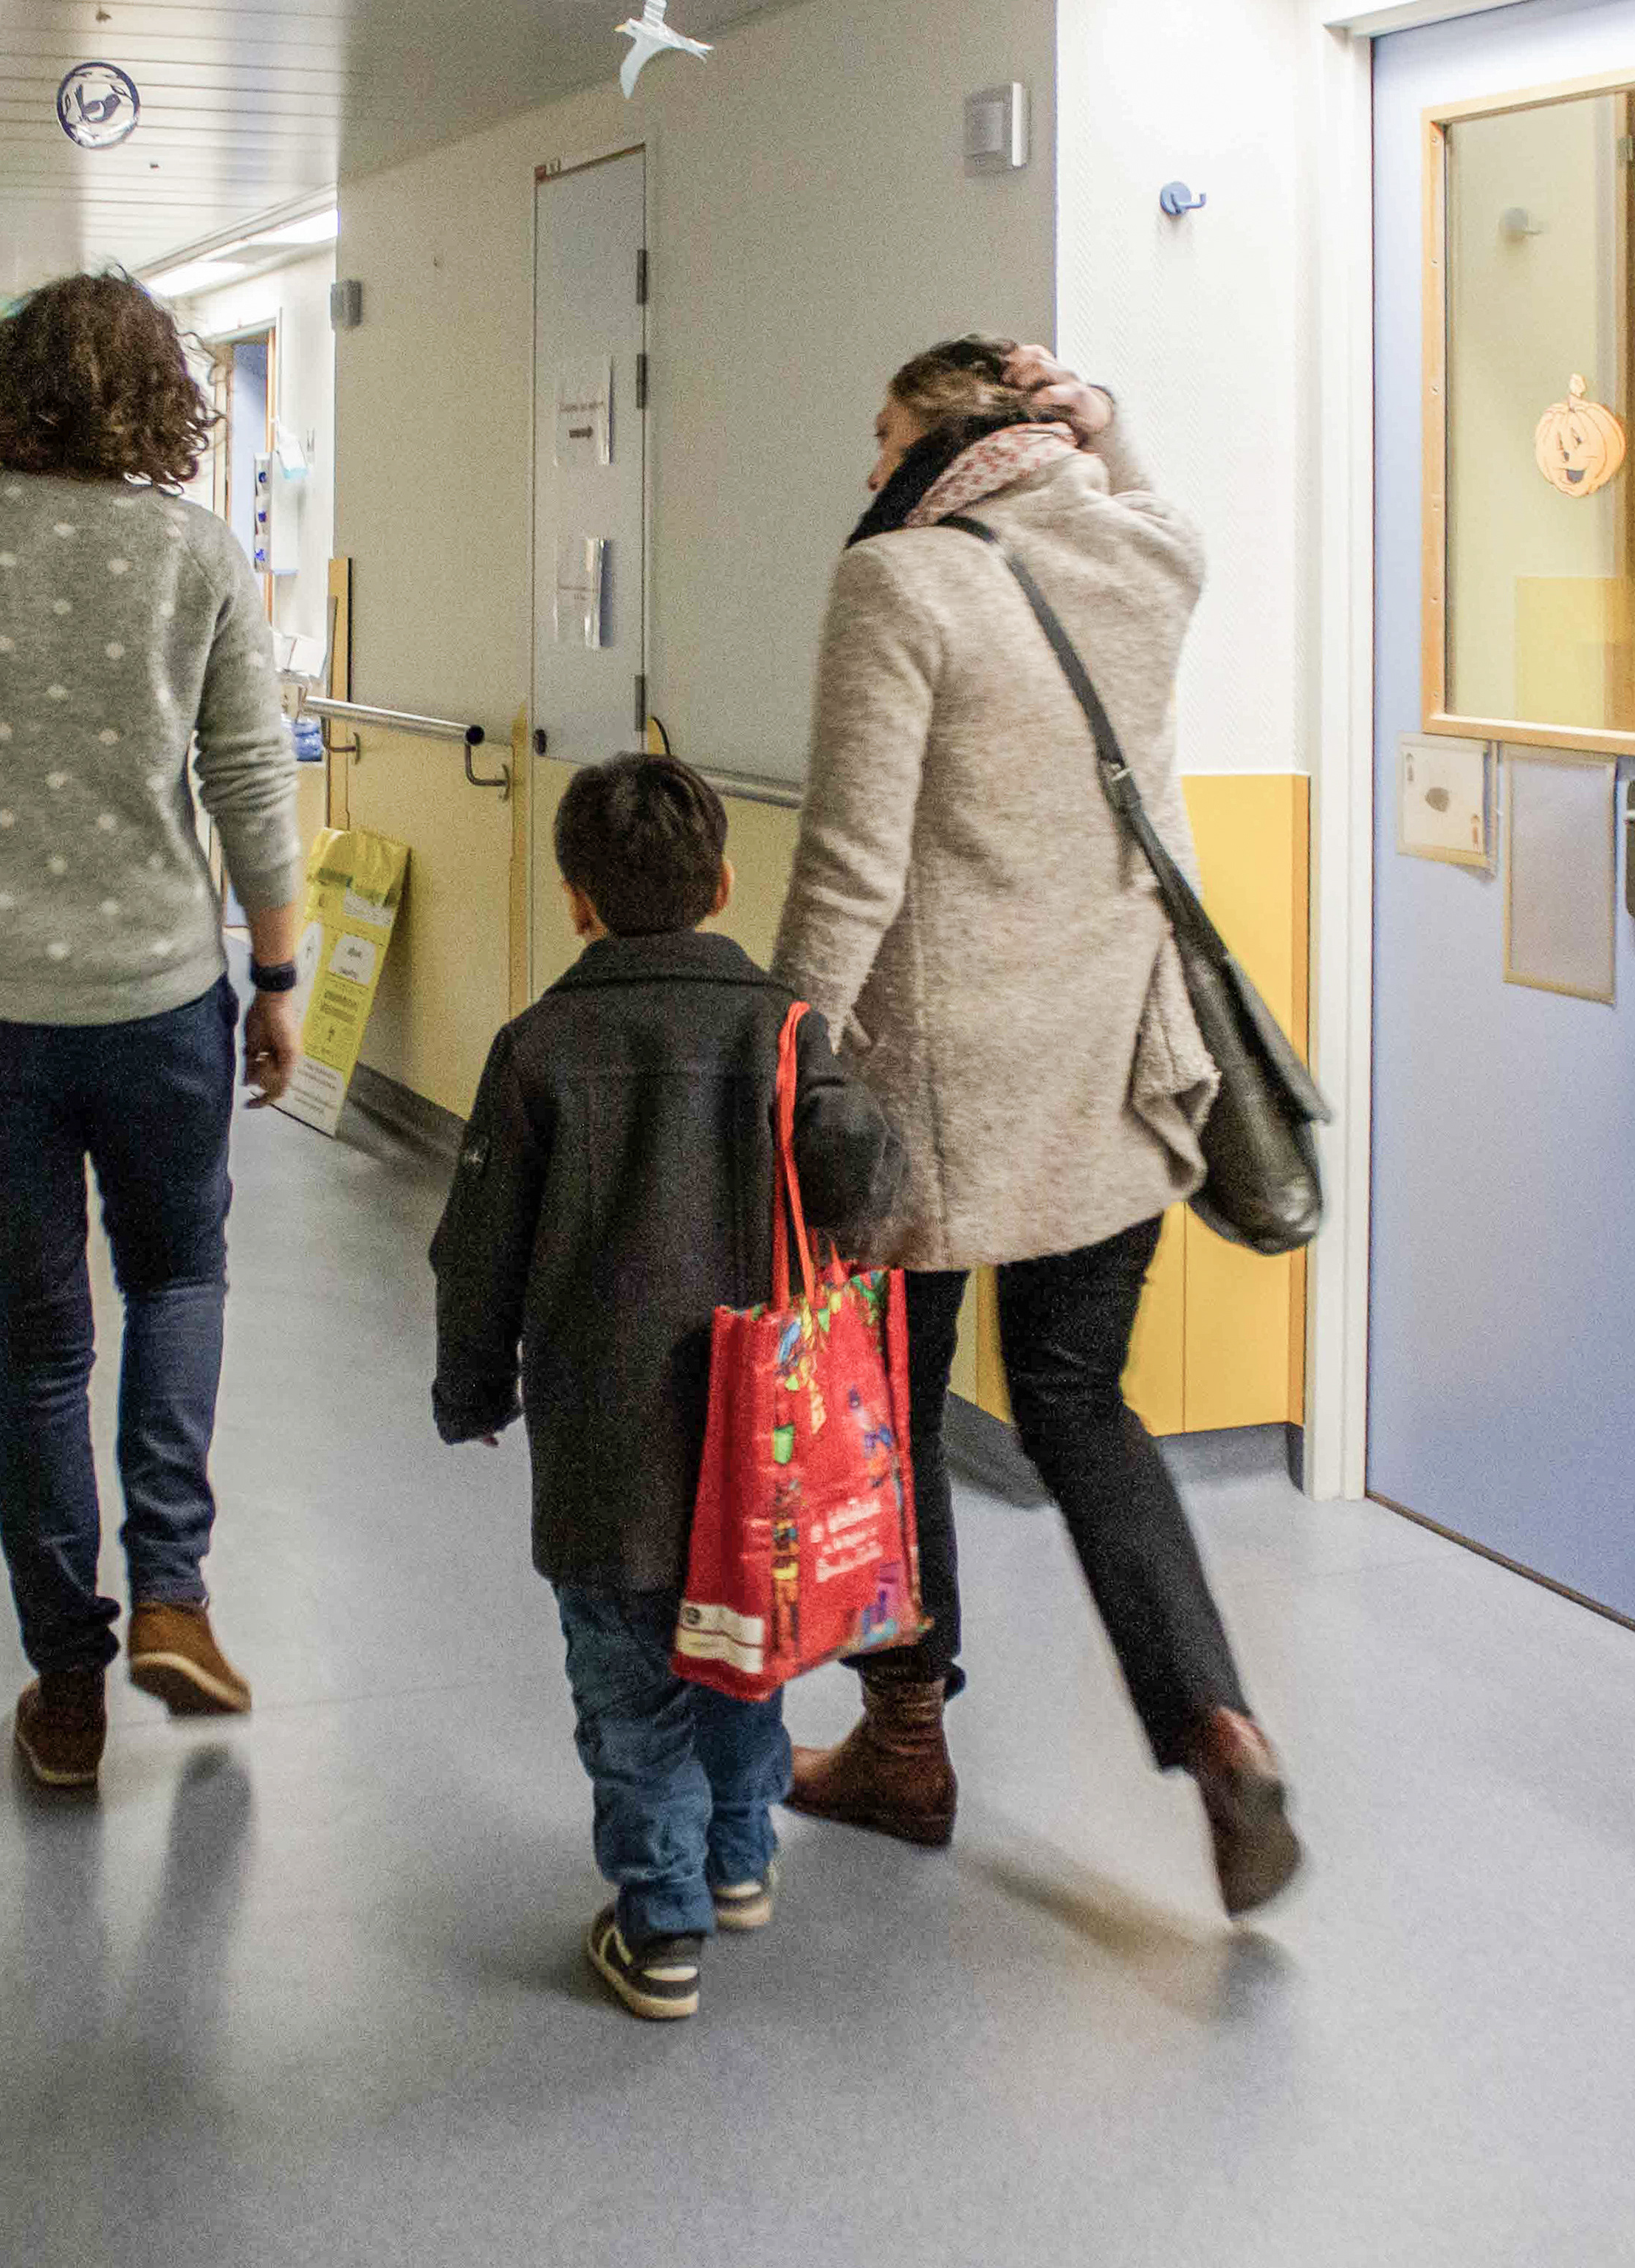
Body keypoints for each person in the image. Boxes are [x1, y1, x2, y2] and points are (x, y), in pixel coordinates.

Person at [772, 336, 1304, 1918]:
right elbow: (1156, 504)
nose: (868, 469)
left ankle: (905, 1745)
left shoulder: (900, 583)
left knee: (893, 1407)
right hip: (1116, 1070)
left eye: (884, 435)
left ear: (944, 442)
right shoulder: (1146, 558)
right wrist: (1107, 426)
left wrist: (783, 1055)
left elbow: (854, 863)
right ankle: (1217, 1724)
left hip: (936, 1086)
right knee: (1078, 1398)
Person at [0, 272, 303, 1790]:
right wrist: (280, 978)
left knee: (37, 1344)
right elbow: (250, 782)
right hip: (156, 998)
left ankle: (66, 1692)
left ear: (10, 389)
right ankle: (172, 1590)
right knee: (178, 1275)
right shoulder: (194, 553)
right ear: (164, 400)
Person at [431, 755, 903, 2020]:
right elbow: (859, 1175)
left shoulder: (536, 1049)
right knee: (744, 1655)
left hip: (606, 1459)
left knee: (632, 1699)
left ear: (577, 900)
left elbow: (477, 1251)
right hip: (762, 1453)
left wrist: (471, 1390)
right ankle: (740, 1862)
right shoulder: (785, 1030)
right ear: (725, 885)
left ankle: (661, 1929)